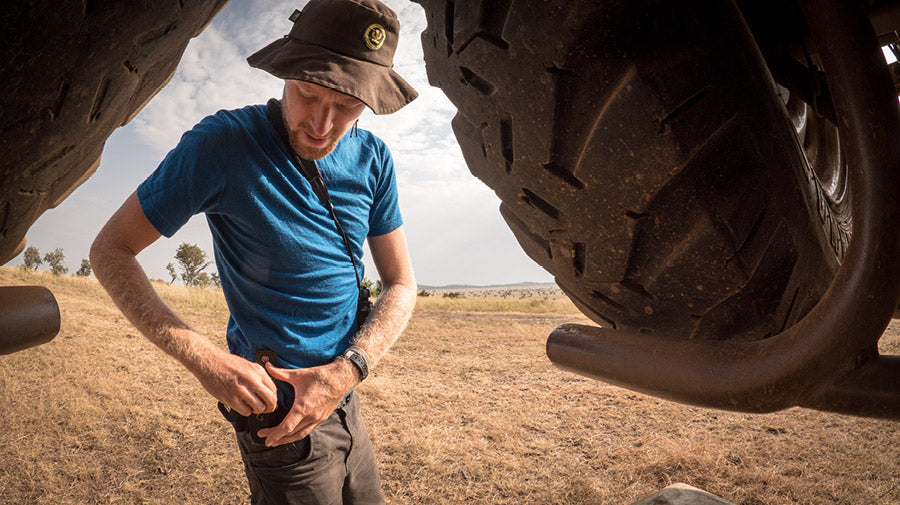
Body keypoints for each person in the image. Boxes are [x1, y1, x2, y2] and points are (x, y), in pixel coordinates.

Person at [90, 0, 418, 503]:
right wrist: (207, 363)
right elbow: (111, 250)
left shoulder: (374, 160)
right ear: (285, 73)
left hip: (346, 399)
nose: (322, 125)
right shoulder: (223, 145)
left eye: (348, 106)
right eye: (309, 94)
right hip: (280, 422)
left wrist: (347, 371)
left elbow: (401, 283)